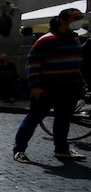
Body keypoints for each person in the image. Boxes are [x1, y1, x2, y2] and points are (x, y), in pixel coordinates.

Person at [13, 8, 86, 163]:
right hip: (47, 88)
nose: (79, 20)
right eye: (75, 18)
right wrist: (35, 86)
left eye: (80, 17)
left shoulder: (75, 40)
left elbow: (76, 65)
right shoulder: (46, 40)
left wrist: (81, 84)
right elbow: (33, 65)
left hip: (70, 88)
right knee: (33, 118)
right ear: (62, 20)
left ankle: (62, 149)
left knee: (63, 120)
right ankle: (19, 149)